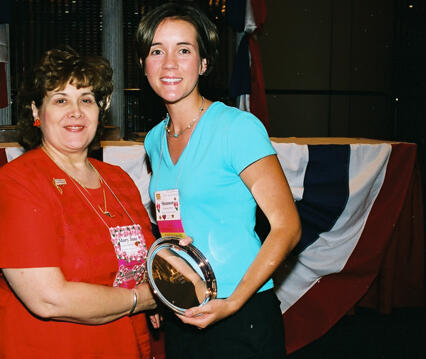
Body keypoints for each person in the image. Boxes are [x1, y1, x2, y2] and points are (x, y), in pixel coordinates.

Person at [136, 3, 302, 358]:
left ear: (204, 63)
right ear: (143, 65)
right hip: (184, 311)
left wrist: (233, 303)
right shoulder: (154, 139)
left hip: (240, 314)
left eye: (184, 50)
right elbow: (172, 229)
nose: (169, 63)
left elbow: (287, 227)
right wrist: (163, 289)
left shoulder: (236, 128)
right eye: (156, 51)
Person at [0, 47, 158, 358]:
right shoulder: (19, 181)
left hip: (121, 340)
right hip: (45, 345)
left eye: (86, 100)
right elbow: (48, 299)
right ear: (37, 112)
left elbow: (141, 260)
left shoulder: (119, 180)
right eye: (60, 99)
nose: (76, 111)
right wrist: (142, 300)